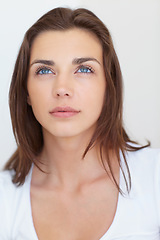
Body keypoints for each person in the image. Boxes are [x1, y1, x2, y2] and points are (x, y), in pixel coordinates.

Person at [0, 7, 159, 240]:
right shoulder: (5, 199)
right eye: (45, 70)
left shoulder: (154, 178)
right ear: (26, 92)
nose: (62, 88)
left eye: (84, 69)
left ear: (108, 86)